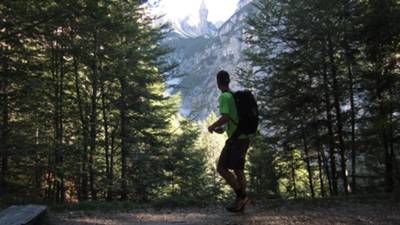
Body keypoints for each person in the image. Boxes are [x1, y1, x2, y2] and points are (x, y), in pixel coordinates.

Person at [208, 70, 251, 212]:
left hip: (236, 140)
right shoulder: (233, 95)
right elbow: (233, 118)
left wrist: (213, 126)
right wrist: (224, 129)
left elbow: (226, 116)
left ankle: (242, 196)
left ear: (218, 83)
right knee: (238, 169)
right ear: (229, 81)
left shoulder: (224, 97)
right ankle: (241, 203)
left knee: (221, 167)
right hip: (244, 137)